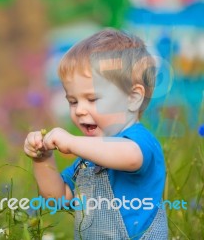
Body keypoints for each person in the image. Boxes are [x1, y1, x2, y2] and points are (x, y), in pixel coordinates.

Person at [24, 29, 167, 239]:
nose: (79, 110)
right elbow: (58, 199)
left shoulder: (139, 141)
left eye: (92, 99)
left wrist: (72, 142)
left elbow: (130, 157)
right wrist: (42, 159)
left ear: (133, 98)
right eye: (72, 101)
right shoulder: (88, 159)